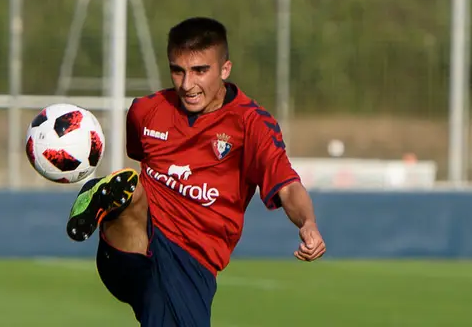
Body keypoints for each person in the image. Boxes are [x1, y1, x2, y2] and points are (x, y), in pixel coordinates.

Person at [66, 17, 326, 326]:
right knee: (131, 189)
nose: (187, 85)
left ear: (224, 70)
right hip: (133, 249)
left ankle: (112, 199)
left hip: (193, 260)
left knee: (131, 192)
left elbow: (287, 185)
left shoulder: (251, 124)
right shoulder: (145, 111)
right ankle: (106, 202)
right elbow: (139, 155)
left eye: (200, 71)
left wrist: (307, 222)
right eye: (178, 70)